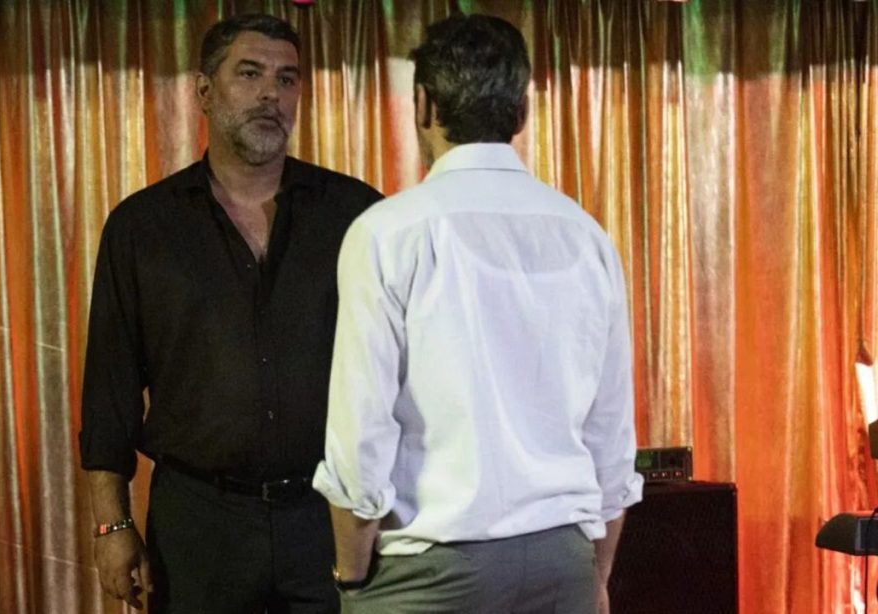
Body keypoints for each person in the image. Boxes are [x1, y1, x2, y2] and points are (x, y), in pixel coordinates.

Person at [312, 14, 643, 614]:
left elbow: (360, 438)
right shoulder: (586, 235)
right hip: (563, 562)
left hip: (430, 573)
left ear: (423, 104)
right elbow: (611, 437)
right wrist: (593, 578)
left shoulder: (386, 233)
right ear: (522, 111)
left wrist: (351, 579)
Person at [79, 13, 383, 613]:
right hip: (199, 524)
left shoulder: (357, 215)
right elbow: (109, 391)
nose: (272, 94)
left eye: (287, 79)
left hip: (328, 515)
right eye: (250, 74)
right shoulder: (142, 228)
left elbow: (399, 371)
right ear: (203, 90)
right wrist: (112, 526)